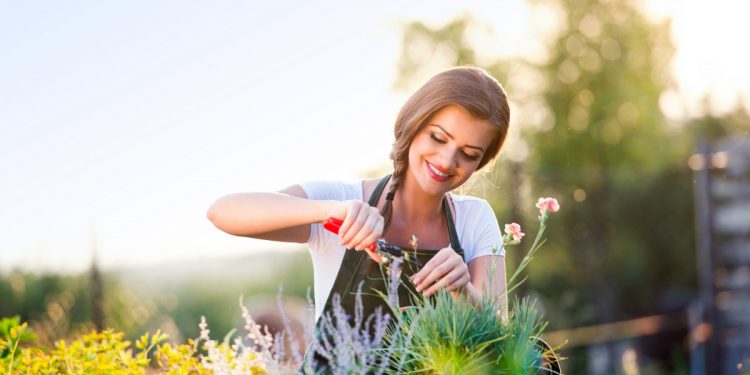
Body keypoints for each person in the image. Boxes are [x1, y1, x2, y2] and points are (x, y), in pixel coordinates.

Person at [207, 66, 510, 355]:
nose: (446, 160)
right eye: (438, 137)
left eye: (469, 154)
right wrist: (329, 211)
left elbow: (501, 345)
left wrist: (464, 291)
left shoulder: (474, 218)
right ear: (414, 124)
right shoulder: (341, 198)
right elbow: (223, 213)